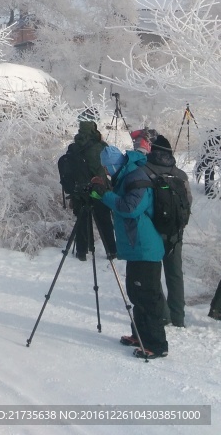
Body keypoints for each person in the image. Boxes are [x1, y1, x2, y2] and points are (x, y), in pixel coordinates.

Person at [90, 129, 168, 359]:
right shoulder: (127, 175)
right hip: (136, 248)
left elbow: (130, 208)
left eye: (106, 169)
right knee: (136, 293)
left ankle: (157, 344)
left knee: (148, 297)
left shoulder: (135, 176)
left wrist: (104, 195)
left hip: (145, 248)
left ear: (112, 166)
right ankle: (140, 335)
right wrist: (103, 192)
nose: (106, 173)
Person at [145, 132, 191, 327]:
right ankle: (178, 317)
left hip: (153, 232)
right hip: (175, 232)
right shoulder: (180, 174)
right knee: (175, 274)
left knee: (153, 275)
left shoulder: (145, 170)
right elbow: (188, 202)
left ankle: (163, 314)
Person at [60, 117, 117, 260]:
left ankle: (81, 251)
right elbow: (102, 170)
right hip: (97, 191)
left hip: (79, 192)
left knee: (82, 221)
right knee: (104, 221)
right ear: (94, 130)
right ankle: (111, 251)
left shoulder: (75, 146)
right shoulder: (100, 147)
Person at [197, 130, 221, 197]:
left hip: (210, 150)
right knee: (209, 168)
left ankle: (209, 190)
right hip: (211, 149)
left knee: (209, 169)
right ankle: (209, 190)